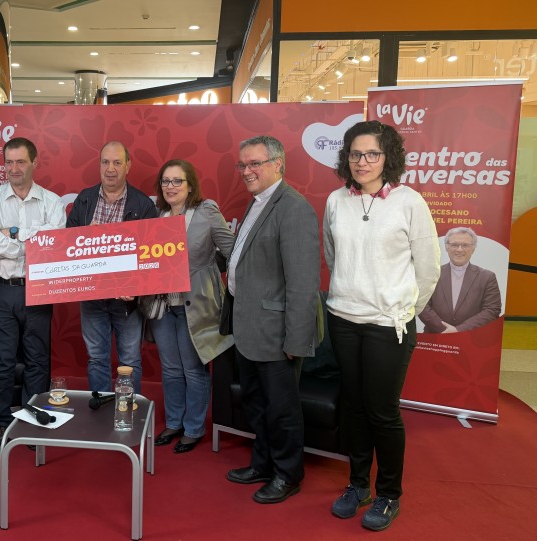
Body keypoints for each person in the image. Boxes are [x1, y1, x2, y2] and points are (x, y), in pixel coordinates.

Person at [324, 120, 440, 531]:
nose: (363, 161)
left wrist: (402, 309)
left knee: (382, 410)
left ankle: (389, 493)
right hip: (343, 318)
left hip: (389, 325)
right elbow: (333, 255)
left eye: (372, 153)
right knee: (353, 406)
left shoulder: (410, 202)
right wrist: (350, 292)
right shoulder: (336, 200)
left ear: (388, 157)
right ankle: (358, 485)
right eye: (355, 154)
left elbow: (428, 269)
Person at [220, 135, 321, 504]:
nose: (247, 171)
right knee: (256, 404)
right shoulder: (259, 201)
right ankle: (262, 464)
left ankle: (288, 475)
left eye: (255, 164)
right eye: (243, 164)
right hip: (249, 328)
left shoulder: (293, 208)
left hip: (277, 335)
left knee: (281, 410)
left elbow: (303, 283)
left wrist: (296, 341)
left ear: (278, 164)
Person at [0, 137, 66, 454]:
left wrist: (12, 234)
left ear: (34, 162)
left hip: (39, 288)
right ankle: (2, 424)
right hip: (0, 290)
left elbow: (54, 244)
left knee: (38, 361)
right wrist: (32, 242)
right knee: (1, 362)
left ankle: (32, 422)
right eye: (8, 162)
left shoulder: (52, 202)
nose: (13, 168)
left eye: (20, 162)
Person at [149, 159, 235, 454]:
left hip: (194, 305)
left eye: (177, 181)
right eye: (165, 181)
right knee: (171, 369)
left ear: (190, 185)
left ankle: (194, 428)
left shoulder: (206, 211)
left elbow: (232, 251)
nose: (170, 187)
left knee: (193, 369)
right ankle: (174, 423)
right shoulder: (156, 215)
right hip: (163, 306)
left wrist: (208, 271)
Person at [66, 141, 159, 394]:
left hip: (127, 302)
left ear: (128, 166)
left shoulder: (143, 205)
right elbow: (67, 245)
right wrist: (84, 237)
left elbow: (152, 254)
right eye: (105, 162)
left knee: (130, 361)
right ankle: (101, 410)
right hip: (92, 297)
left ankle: (129, 411)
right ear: (99, 165)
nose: (110, 169)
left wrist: (137, 288)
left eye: (117, 162)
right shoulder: (85, 199)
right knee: (97, 359)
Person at [418, 227, 501, 333]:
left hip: (471, 337)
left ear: (473, 248)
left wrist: (458, 330)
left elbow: (492, 310)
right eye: (454, 245)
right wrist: (445, 329)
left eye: (465, 245)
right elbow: (422, 305)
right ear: (447, 247)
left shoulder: (487, 277)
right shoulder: (430, 274)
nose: (459, 249)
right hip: (435, 337)